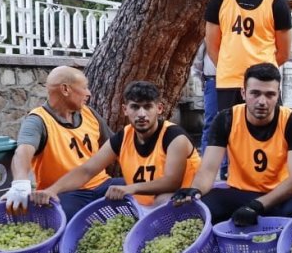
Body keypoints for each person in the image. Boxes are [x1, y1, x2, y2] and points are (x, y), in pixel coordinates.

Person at [173, 63, 292, 224]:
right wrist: (195, 190)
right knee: (203, 206)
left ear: (278, 95)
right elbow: (208, 170)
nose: (262, 101)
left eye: (269, 95)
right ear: (243, 93)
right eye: (255, 93)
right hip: (240, 192)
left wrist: (258, 205)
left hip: (280, 194)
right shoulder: (227, 118)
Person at [33, 81, 201, 210]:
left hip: (185, 202)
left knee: (162, 201)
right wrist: (52, 190)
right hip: (143, 206)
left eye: (148, 107)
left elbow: (172, 182)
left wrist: (130, 188)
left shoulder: (174, 137)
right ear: (125, 110)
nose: (141, 114)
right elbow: (87, 170)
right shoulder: (123, 137)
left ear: (159, 109)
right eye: (135, 107)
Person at [4, 67, 114, 219]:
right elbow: (23, 151)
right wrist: (20, 181)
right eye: (84, 88)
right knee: (65, 224)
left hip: (102, 184)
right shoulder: (38, 120)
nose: (88, 93)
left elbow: (117, 147)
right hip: (63, 193)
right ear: (65, 89)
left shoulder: (89, 113)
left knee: (145, 192)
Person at [205, 0, 292, 114]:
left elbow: (283, 53)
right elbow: (213, 48)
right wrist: (230, 67)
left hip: (264, 84)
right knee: (231, 136)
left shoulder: (277, 4)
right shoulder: (219, 1)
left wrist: (262, 72)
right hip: (229, 83)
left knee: (269, 138)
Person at [192, 44, 217, 156]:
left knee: (233, 120)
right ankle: (207, 158)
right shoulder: (207, 33)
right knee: (211, 120)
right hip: (213, 79)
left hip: (236, 79)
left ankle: (227, 165)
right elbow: (198, 60)